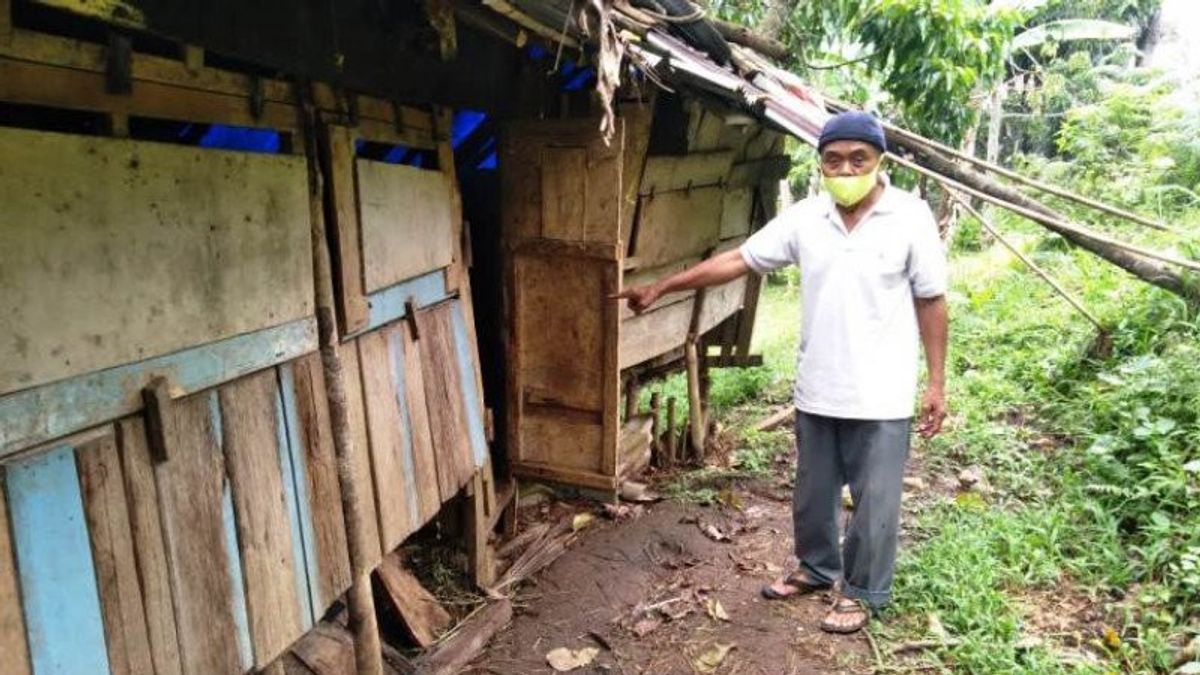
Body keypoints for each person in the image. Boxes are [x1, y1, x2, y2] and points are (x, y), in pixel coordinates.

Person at [613, 111, 948, 634]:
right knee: (812, 494)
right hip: (819, 387)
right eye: (833, 160)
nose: (845, 169)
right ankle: (816, 569)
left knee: (875, 502)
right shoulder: (807, 218)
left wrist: (936, 383)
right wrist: (663, 287)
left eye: (858, 158)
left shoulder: (911, 216)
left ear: (880, 160)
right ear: (821, 164)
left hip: (883, 393)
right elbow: (738, 260)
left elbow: (931, 299)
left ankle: (861, 592)